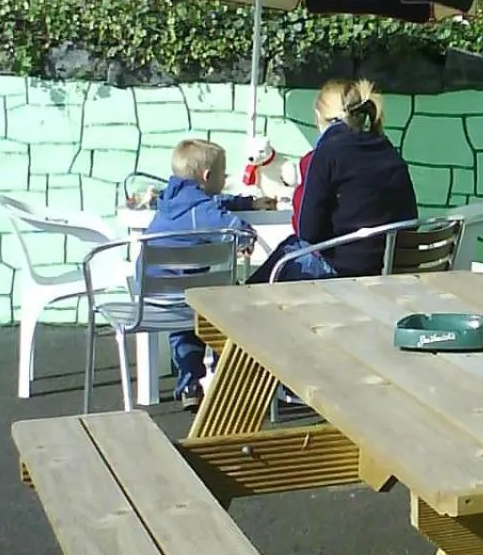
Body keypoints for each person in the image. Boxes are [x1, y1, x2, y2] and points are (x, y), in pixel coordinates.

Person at [249, 77, 417, 284]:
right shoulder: (387, 149)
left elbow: (307, 232)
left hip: (344, 269)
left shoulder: (327, 154)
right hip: (390, 266)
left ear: (319, 116)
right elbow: (411, 218)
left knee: (284, 256)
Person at [146, 138, 256, 409]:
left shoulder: (165, 201)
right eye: (223, 173)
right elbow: (238, 231)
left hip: (156, 295)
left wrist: (238, 202)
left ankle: (189, 383)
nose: (225, 178)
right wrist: (248, 237)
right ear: (207, 177)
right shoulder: (205, 212)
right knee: (226, 299)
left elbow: (211, 202)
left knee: (184, 326)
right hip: (193, 299)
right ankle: (227, 378)